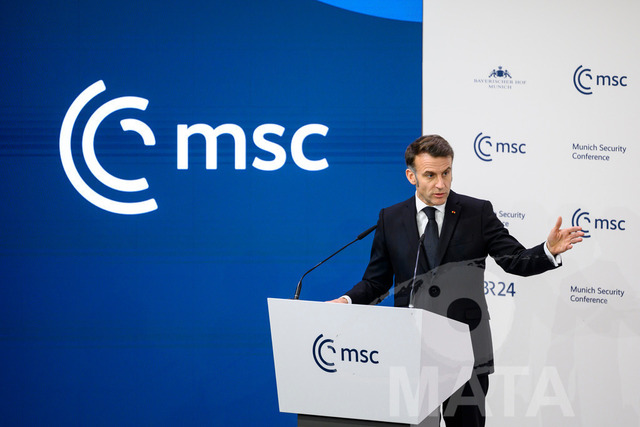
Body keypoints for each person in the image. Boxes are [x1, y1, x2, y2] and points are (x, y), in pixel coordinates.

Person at [329, 135, 584, 427]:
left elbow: (513, 259)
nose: (441, 184)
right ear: (411, 176)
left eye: (446, 173)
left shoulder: (477, 213)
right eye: (430, 175)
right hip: (411, 350)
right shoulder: (391, 218)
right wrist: (347, 301)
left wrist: (548, 250)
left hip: (466, 350)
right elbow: (376, 282)